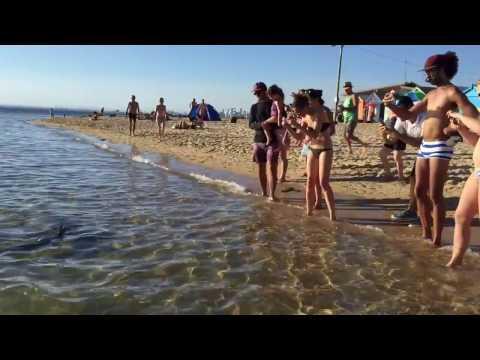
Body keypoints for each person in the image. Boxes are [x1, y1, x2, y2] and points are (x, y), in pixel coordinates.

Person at [383, 51, 478, 247]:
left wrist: (454, 128)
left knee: (435, 194)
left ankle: (437, 239)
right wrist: (390, 105)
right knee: (418, 191)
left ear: (441, 70)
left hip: (441, 146)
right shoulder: (431, 94)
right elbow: (408, 115)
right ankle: (426, 233)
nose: (427, 76)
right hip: (425, 146)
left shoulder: (453, 93)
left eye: (430, 72)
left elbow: (474, 117)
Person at [284, 90, 335, 219]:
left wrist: (297, 125)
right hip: (312, 148)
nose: (298, 114)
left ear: (306, 106)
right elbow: (300, 137)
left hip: (325, 149)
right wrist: (288, 127)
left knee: (323, 183)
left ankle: (333, 217)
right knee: (310, 181)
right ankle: (309, 213)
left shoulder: (320, 113)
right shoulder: (304, 117)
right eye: (296, 112)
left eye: (299, 111)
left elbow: (314, 134)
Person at [380, 97, 426, 223]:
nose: (398, 114)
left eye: (400, 111)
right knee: (414, 178)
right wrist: (385, 134)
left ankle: (424, 217)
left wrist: (397, 134)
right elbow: (392, 141)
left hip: (439, 148)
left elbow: (419, 143)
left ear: (411, 109)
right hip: (424, 150)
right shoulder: (402, 119)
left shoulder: (424, 118)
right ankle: (412, 211)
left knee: (427, 185)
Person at [445, 111, 480, 267]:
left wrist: (458, 115)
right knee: (461, 216)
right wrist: (462, 129)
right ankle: (455, 260)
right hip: (477, 171)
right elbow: (476, 142)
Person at [249, 82, 279, 201]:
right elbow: (251, 124)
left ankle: (272, 194)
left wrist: (269, 125)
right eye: (255, 92)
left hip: (274, 141)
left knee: (272, 168)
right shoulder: (254, 107)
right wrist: (262, 125)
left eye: (257, 92)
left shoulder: (275, 104)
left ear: (264, 91)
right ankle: (264, 192)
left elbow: (280, 120)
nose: (256, 94)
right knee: (261, 168)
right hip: (259, 141)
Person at [378, 97, 414, 181]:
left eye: (402, 108)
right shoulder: (392, 115)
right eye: (399, 107)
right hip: (391, 136)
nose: (400, 110)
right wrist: (384, 132)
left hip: (401, 137)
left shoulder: (409, 116)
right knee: (382, 154)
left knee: (397, 156)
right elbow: (386, 131)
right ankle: (388, 174)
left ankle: (400, 177)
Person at [263, 85, 290, 182]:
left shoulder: (278, 101)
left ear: (275, 94)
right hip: (277, 127)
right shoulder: (279, 100)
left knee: (283, 155)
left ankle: (283, 176)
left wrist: (278, 122)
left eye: (270, 95)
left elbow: (279, 113)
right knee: (282, 155)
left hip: (279, 126)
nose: (269, 97)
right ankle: (282, 176)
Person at [339, 81, 367, 155]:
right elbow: (345, 108)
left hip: (352, 117)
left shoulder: (354, 95)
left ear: (351, 88)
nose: (346, 90)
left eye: (347, 89)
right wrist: (341, 109)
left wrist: (344, 108)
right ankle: (350, 149)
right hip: (346, 118)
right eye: (345, 89)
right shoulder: (346, 97)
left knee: (349, 135)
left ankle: (362, 144)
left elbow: (355, 107)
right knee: (345, 136)